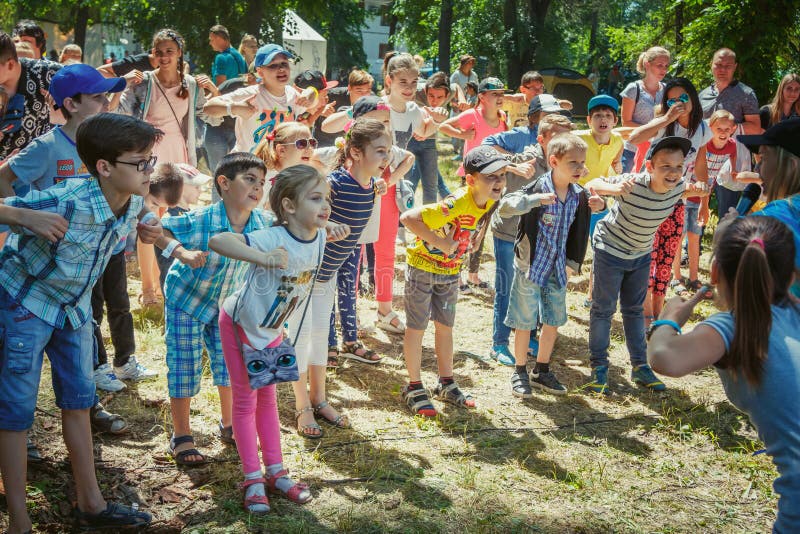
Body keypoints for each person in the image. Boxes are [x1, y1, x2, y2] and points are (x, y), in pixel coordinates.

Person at [0, 113, 161, 532]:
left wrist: (148, 229)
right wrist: (22, 217)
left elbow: (140, 225)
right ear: (105, 167)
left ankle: (91, 502)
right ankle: (19, 522)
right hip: (24, 304)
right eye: (140, 162)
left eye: (151, 160)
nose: (149, 171)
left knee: (79, 399)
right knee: (16, 412)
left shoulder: (134, 201)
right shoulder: (65, 198)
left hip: (72, 311)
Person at [647, 216, 800, 533]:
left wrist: (669, 319)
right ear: (792, 276)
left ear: (714, 273)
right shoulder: (794, 313)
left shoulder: (735, 326)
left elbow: (664, 358)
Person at [210, 165, 325, 513]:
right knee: (246, 403)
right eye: (316, 198)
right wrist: (262, 258)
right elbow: (218, 240)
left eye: (327, 199)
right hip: (241, 326)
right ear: (288, 207)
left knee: (269, 401)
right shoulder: (272, 237)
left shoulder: (318, 233)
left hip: (274, 330)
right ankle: (252, 479)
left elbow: (323, 230)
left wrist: (328, 223)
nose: (325, 206)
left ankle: (275, 472)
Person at [158, 152, 272, 465]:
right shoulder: (202, 219)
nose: (257, 188)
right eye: (249, 180)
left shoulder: (262, 224)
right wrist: (180, 252)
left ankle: (230, 424)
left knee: (228, 366)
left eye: (261, 183)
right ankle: (182, 434)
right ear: (223, 183)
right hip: (188, 301)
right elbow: (158, 228)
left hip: (227, 306)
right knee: (185, 362)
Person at [290, 118, 388, 437]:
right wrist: (323, 227)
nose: (386, 158)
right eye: (379, 151)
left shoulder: (370, 186)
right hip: (304, 273)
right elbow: (300, 216)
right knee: (301, 341)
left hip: (327, 274)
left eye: (387, 151)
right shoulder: (333, 183)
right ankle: (302, 406)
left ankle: (320, 399)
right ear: (356, 152)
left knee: (320, 338)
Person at [399, 145, 507, 416]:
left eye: (502, 174)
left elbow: (475, 220)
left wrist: (468, 240)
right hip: (422, 269)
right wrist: (441, 242)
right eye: (491, 176)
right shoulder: (456, 202)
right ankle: (413, 386)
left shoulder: (490, 199)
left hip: (449, 272)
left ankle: (446, 382)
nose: (499, 181)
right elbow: (408, 218)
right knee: (416, 329)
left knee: (445, 327)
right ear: (471, 181)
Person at [583, 136, 694, 394]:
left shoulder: (678, 188)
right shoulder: (631, 183)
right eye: (665, 166)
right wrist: (615, 190)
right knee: (603, 310)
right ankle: (599, 367)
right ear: (649, 166)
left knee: (634, 310)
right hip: (609, 250)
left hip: (641, 254)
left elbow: (693, 186)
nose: (673, 173)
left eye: (678, 167)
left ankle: (640, 366)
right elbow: (593, 183)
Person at [118, 28, 215, 308]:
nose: (163, 57)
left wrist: (213, 91)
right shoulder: (144, 82)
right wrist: (124, 86)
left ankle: (171, 280)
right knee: (150, 220)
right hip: (150, 152)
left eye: (169, 51)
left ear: (179, 53)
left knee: (174, 218)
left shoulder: (192, 84)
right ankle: (149, 289)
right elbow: (123, 113)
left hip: (178, 152)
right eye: (158, 52)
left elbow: (205, 117)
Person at [501, 133, 604, 396]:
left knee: (553, 320)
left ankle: (542, 370)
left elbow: (579, 233)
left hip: (558, 269)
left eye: (582, 163)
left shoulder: (579, 195)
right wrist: (533, 201)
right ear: (554, 161)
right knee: (524, 321)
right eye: (574, 163)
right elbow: (506, 206)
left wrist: (572, 263)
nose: (580, 169)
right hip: (531, 266)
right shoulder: (537, 188)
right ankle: (520, 370)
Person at [487, 114, 576, 365]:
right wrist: (512, 166)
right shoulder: (527, 157)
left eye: (565, 136)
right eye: (556, 136)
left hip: (541, 239)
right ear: (541, 139)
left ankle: (528, 338)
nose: (562, 141)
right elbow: (486, 156)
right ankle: (499, 343)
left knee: (534, 290)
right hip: (509, 234)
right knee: (506, 289)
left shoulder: (562, 163)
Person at [629, 77, 712, 310]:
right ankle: (643, 312)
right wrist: (665, 118)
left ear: (693, 99)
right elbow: (634, 139)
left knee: (667, 256)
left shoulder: (702, 127)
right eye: (672, 99)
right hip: (650, 196)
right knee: (649, 255)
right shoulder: (665, 122)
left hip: (677, 198)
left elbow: (701, 166)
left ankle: (657, 312)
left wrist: (704, 203)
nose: (678, 103)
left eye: (683, 97)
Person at [370, 52, 435, 334]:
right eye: (402, 81)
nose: (409, 87)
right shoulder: (375, 107)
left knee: (386, 249)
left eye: (414, 81)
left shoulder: (415, 110)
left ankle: (384, 310)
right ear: (389, 81)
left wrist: (434, 122)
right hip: (365, 181)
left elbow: (422, 132)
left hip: (393, 186)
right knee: (353, 247)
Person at [440, 77, 508, 291]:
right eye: (495, 94)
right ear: (482, 97)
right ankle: (456, 274)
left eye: (501, 94)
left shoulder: (503, 118)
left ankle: (473, 274)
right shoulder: (472, 115)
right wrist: (461, 134)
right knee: (466, 225)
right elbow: (443, 126)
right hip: (473, 178)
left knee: (483, 228)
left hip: (495, 179)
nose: (500, 98)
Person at [203, 43, 316, 152]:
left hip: (278, 167)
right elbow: (208, 108)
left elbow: (315, 103)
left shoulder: (292, 94)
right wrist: (234, 108)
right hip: (248, 166)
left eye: (284, 64)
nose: (281, 69)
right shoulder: (251, 94)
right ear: (260, 72)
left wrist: (311, 92)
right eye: (273, 66)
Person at [736, 118, 800, 298]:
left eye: (763, 158)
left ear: (790, 166)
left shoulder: (780, 215)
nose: (757, 167)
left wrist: (729, 228)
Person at [575, 94, 624, 307]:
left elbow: (616, 160)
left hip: (599, 200)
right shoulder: (578, 140)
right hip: (574, 198)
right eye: (597, 116)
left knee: (600, 248)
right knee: (571, 247)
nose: (602, 120)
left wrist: (617, 168)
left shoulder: (617, 141)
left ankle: (592, 295)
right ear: (588, 120)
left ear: (615, 121)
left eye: (607, 115)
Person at [0, 32, 61, 160]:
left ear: (10, 64)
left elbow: (86, 103)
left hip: (40, 168)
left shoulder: (48, 74)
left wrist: (60, 110)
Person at [619, 46, 669, 173]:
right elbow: (626, 123)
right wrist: (652, 131)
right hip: (632, 151)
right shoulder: (633, 89)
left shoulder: (668, 90)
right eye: (660, 65)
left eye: (666, 66)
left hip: (657, 153)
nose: (664, 69)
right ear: (647, 64)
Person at [407, 71, 455, 204]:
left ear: (447, 95)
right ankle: (400, 220)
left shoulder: (451, 91)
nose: (435, 101)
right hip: (409, 140)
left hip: (429, 141)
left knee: (431, 184)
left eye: (440, 97)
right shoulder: (413, 92)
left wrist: (462, 99)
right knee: (407, 182)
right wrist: (421, 131)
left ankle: (429, 217)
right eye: (431, 95)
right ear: (425, 90)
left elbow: (456, 87)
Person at [698, 48, 760, 135]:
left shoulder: (746, 94)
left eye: (728, 66)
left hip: (734, 148)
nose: (722, 69)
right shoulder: (702, 95)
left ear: (735, 67)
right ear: (711, 64)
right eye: (718, 64)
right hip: (705, 147)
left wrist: (726, 127)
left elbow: (755, 128)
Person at [484, 93, 564, 155]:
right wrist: (515, 161)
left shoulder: (562, 135)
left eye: (557, 113)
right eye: (547, 114)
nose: (554, 118)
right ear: (534, 117)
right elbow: (488, 143)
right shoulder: (523, 134)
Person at [316, 69, 374, 147]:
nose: (364, 95)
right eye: (359, 91)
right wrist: (321, 109)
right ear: (349, 88)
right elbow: (310, 106)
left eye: (368, 91)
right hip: (323, 141)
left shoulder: (372, 101)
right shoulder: (332, 95)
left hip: (350, 145)